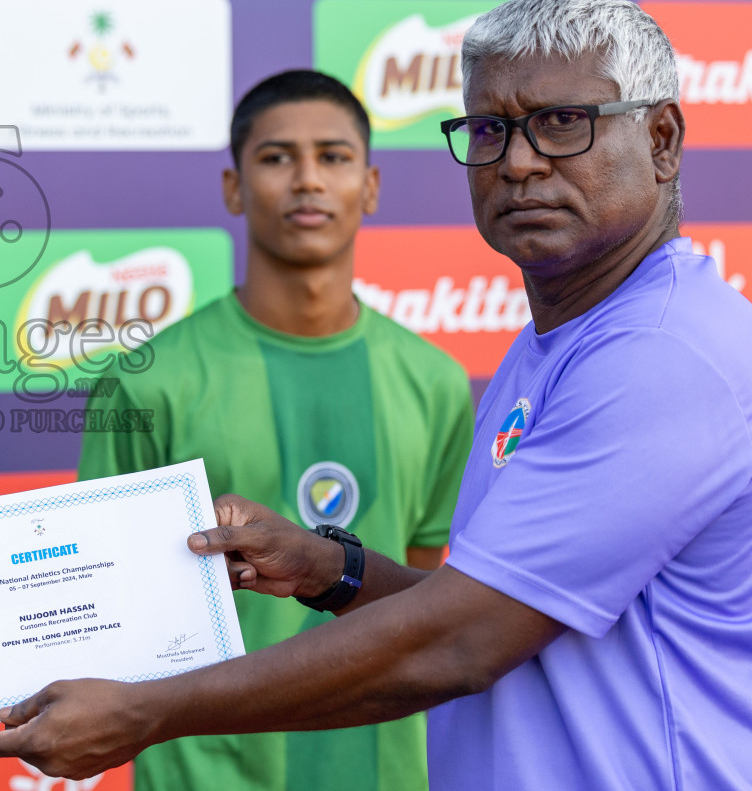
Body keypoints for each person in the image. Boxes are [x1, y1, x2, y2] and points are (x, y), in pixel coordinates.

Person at [0, 0, 752, 789]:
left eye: (563, 122)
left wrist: (150, 711)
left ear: (662, 139)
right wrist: (332, 569)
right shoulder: (556, 346)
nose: (520, 161)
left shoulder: (665, 357)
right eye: (491, 130)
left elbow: (459, 641)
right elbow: (500, 606)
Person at [78, 69, 474, 791]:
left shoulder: (438, 381)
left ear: (372, 185)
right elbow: (108, 603)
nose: (306, 180)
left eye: (333, 156)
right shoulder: (146, 380)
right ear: (234, 188)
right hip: (206, 774)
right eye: (275, 157)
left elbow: (423, 601)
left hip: (389, 772)